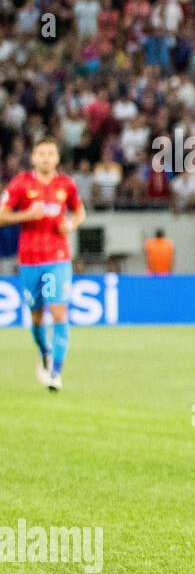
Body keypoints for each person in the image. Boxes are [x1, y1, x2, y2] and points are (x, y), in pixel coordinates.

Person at [0, 139, 85, 391]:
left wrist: (72, 224)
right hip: (29, 259)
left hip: (58, 257)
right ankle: (45, 353)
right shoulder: (21, 184)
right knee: (36, 318)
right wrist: (27, 215)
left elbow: (80, 211)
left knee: (59, 313)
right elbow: (1, 215)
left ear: (57, 158)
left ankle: (56, 373)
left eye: (51, 153)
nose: (46, 158)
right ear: (33, 158)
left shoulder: (66, 185)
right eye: (41, 154)